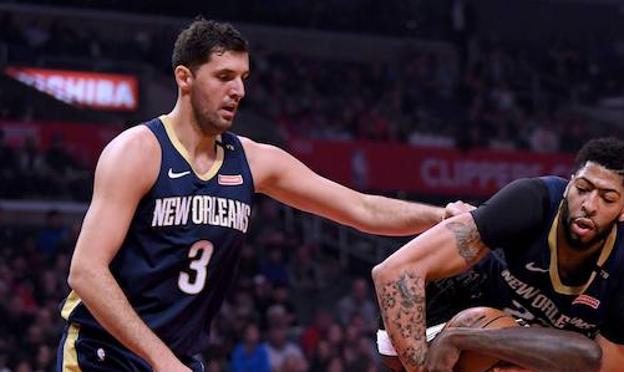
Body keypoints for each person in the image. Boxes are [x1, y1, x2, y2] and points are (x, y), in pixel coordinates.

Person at [56, 18, 470, 372]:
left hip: (178, 358)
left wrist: (441, 216)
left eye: (243, 78)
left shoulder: (252, 160)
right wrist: (161, 361)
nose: (238, 90)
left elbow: (359, 207)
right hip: (103, 354)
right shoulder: (138, 152)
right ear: (184, 78)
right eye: (223, 77)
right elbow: (86, 271)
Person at [372, 137, 624, 372]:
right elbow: (394, 272)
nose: (590, 205)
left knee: (586, 355)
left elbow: (604, 364)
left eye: (607, 199)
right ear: (569, 185)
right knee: (486, 321)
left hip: (517, 346)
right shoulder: (533, 201)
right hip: (440, 321)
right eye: (582, 188)